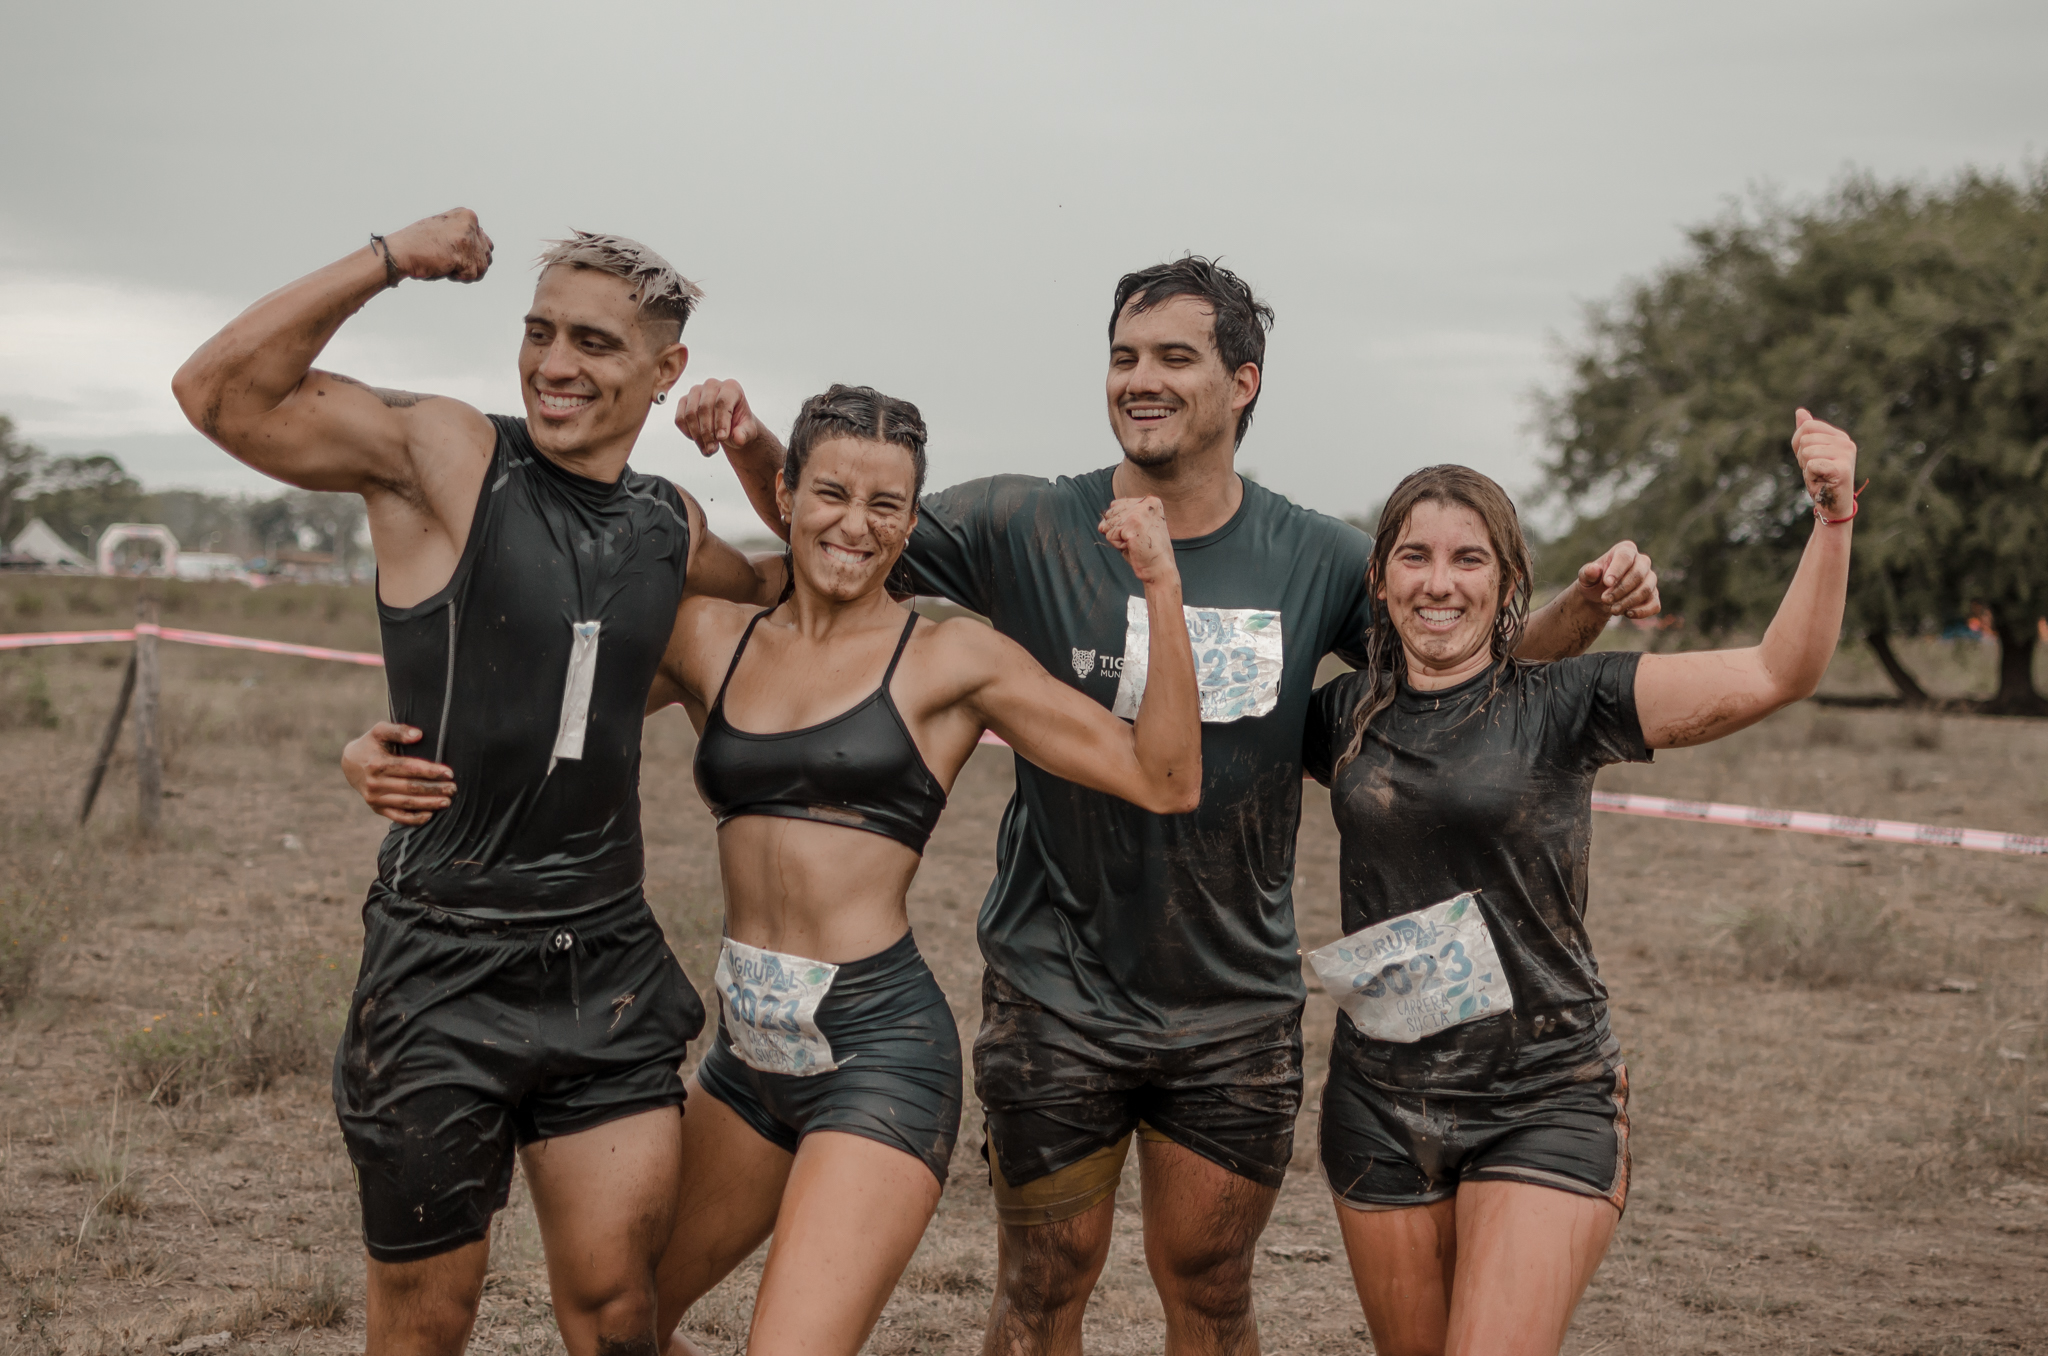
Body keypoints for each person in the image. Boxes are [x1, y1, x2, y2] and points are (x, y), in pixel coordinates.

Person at [679, 256, 1662, 1356]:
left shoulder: (1317, 558)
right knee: (1041, 1286)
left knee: (1209, 1292)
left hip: (1231, 1006)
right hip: (1055, 992)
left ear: (1241, 382)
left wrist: (1578, 607)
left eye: (1173, 358)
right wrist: (753, 442)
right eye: (1122, 357)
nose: (1140, 380)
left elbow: (1467, 678)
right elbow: (846, 535)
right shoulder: (1023, 523)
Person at [353, 383, 1205, 1354]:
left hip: (875, 1053)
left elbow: (1165, 776)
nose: (856, 525)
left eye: (886, 506)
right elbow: (529, 717)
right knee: (615, 1319)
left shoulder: (951, 660)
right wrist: (368, 751)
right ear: (787, 494)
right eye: (832, 494)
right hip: (744, 1059)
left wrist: (1160, 586)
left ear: (910, 520)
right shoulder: (709, 637)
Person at [173, 211, 782, 1356]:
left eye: (595, 344)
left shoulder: (668, 521)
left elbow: (793, 581)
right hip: (439, 969)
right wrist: (387, 259)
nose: (554, 363)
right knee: (426, 1327)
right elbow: (219, 394)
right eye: (539, 330)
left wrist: (751, 447)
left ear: (666, 372)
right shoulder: (451, 456)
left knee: (617, 1317)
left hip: (603, 971)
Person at [1299, 414, 1858, 1356]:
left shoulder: (1568, 702)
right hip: (1379, 1100)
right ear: (1380, 578)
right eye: (1415, 556)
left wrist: (1833, 514)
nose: (1439, 582)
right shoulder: (1340, 715)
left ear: (1509, 584)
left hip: (1541, 1094)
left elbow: (1778, 670)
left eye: (1469, 559)